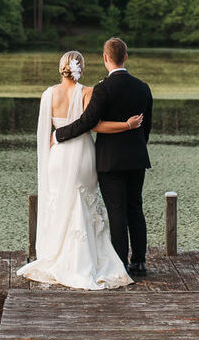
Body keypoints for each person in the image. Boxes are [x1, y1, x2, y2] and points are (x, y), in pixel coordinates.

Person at [15, 50, 142, 289]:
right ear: (81, 68)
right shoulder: (87, 92)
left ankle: (57, 254)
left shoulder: (48, 94)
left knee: (60, 202)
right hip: (83, 154)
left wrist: (56, 138)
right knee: (83, 201)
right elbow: (93, 125)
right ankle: (86, 259)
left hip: (57, 156)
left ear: (61, 68)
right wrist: (126, 125)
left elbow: (45, 133)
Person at [52, 38, 153, 277]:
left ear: (106, 58)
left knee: (117, 212)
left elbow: (88, 122)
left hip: (110, 160)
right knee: (135, 208)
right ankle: (139, 261)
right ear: (125, 57)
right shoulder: (143, 88)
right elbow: (146, 127)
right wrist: (137, 146)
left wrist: (59, 135)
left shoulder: (102, 89)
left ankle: (121, 264)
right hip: (137, 158)